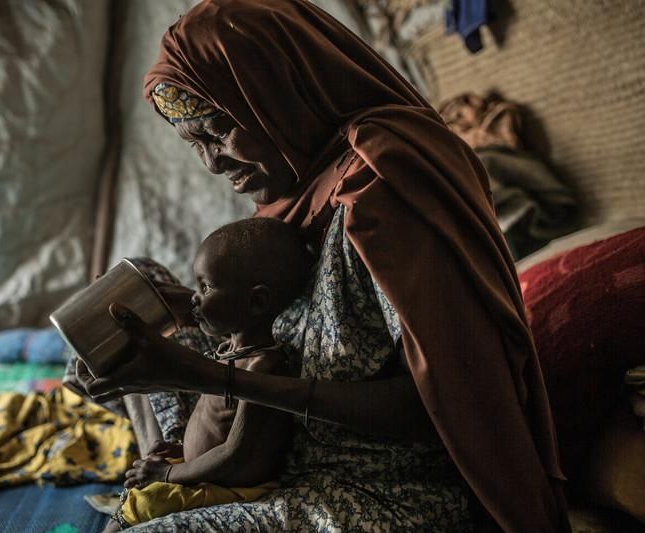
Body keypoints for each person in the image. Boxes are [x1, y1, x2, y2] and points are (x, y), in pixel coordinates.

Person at [68, 0, 572, 530]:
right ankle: (170, 462)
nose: (213, 162)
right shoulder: (301, 180)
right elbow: (299, 321)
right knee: (122, 304)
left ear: (277, 93)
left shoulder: (385, 187)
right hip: (273, 434)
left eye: (219, 130)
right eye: (195, 144)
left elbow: (447, 409)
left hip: (372, 488)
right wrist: (195, 316)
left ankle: (173, 470)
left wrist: (207, 375)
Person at [105, 217, 310, 529]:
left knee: (146, 500)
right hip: (203, 469)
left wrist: (168, 475)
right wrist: (183, 449)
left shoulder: (264, 367)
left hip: (233, 488)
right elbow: (215, 428)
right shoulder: (230, 351)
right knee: (138, 488)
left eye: (206, 287)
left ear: (257, 301)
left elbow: (234, 454)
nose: (194, 298)